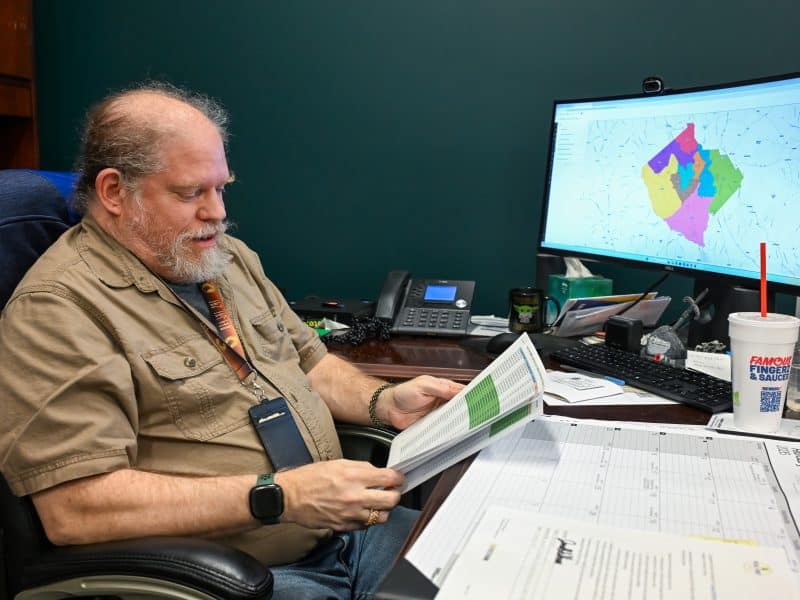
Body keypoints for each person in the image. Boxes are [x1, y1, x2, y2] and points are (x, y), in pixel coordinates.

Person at [0, 82, 464, 598]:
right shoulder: (58, 309)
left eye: (221, 188)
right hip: (239, 575)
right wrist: (281, 496)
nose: (217, 212)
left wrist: (383, 402)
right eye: (190, 193)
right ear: (114, 192)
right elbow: (75, 509)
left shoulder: (225, 259)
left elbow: (308, 361)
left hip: (343, 532)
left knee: (486, 564)